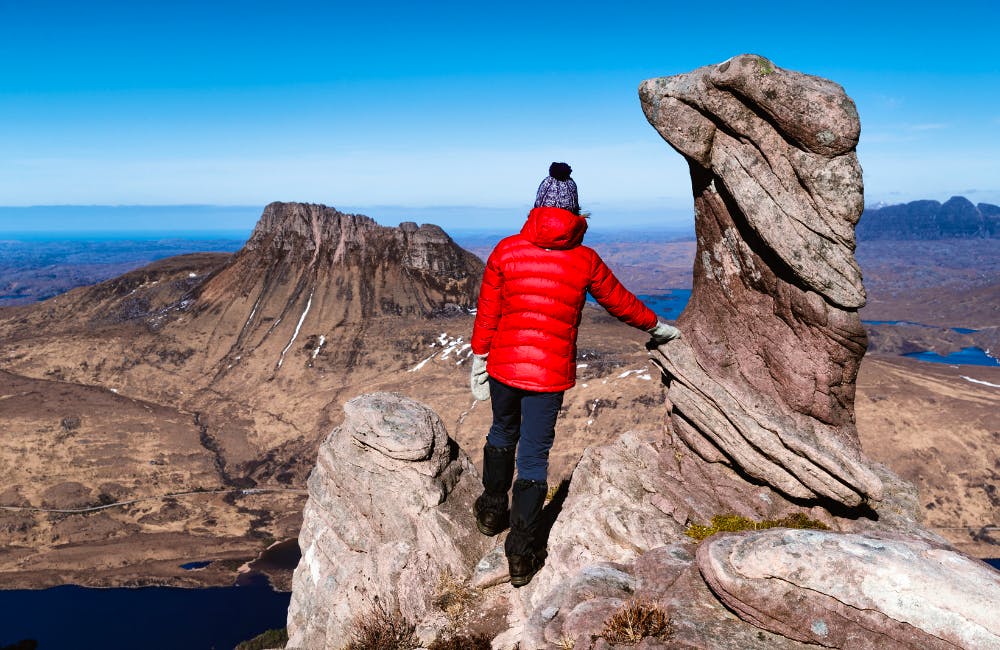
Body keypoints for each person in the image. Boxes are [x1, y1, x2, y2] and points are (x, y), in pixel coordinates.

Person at [468, 162, 681, 587]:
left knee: (501, 432)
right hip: (548, 377)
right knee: (533, 456)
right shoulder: (584, 260)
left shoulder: (506, 250)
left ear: (536, 206)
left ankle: (492, 512)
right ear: (576, 213)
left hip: (505, 368)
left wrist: (480, 358)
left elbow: (488, 312)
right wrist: (656, 326)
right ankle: (521, 554)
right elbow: (619, 302)